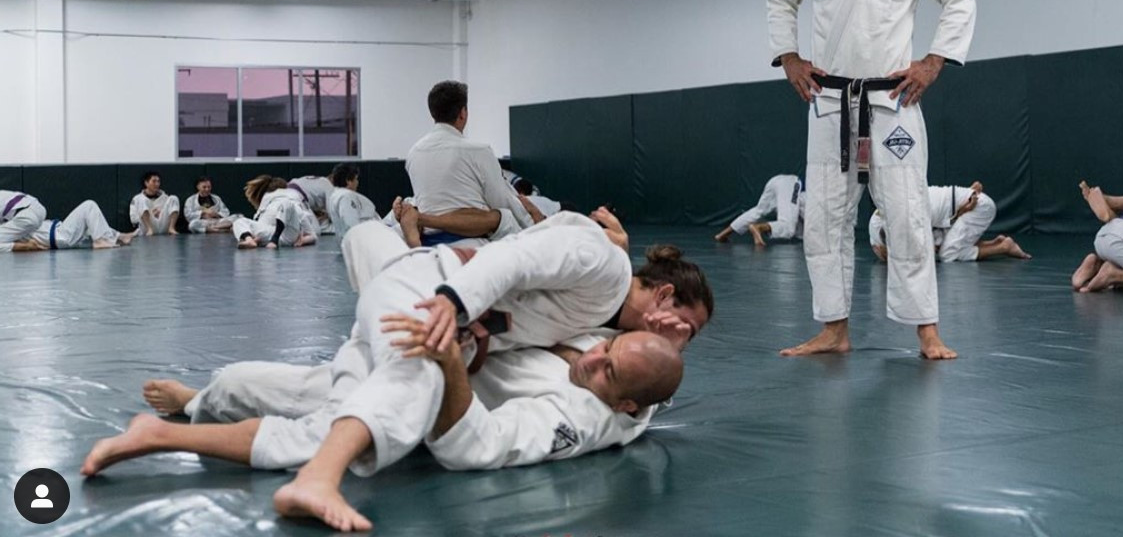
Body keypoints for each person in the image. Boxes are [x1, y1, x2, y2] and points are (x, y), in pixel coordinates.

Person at [84, 218, 693, 531]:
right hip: (429, 291)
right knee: (410, 385)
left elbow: (640, 381)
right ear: (658, 303)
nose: (595, 356)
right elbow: (514, 257)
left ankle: (180, 418)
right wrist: (457, 307)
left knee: (296, 396)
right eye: (673, 323)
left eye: (608, 368)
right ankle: (318, 481)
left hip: (424, 306)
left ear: (628, 406)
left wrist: (465, 345)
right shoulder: (605, 282)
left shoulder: (600, 405)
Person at [766, 0, 976, 359]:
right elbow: (779, 0)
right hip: (830, 99)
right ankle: (834, 329)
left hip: (892, 102)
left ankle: (926, 329)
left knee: (905, 214)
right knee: (824, 218)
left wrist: (934, 61)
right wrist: (789, 57)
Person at [405, 81, 540, 245]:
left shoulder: (414, 154)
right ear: (463, 113)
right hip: (472, 242)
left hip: (428, 241)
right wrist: (535, 227)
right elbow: (501, 200)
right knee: (501, 217)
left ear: (433, 113)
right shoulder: (479, 151)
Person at [868, 181, 1030, 262]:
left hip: (978, 207)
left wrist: (961, 210)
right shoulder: (878, 223)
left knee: (947, 254)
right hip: (967, 206)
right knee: (944, 242)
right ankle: (996, 243)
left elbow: (927, 250)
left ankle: (1003, 247)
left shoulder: (912, 212)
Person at [1, 200, 135, 252]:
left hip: (56, 233)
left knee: (89, 222)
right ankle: (100, 240)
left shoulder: (14, 222)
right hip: (58, 236)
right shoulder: (13, 228)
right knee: (89, 206)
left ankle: (120, 236)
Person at [714, 174, 804, 247]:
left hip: (777, 180)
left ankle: (722, 234)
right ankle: (759, 228)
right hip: (791, 184)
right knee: (788, 226)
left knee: (758, 211)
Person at [233, 175, 318, 249]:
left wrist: (303, 240)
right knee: (239, 221)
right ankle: (249, 240)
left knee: (286, 203)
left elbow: (313, 235)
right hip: (271, 234)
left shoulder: (291, 202)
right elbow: (259, 224)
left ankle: (274, 240)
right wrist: (256, 236)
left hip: (287, 234)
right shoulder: (266, 204)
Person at [325, 163, 379, 239]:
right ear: (348, 181)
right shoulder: (346, 196)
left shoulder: (335, 194)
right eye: (356, 179)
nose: (357, 182)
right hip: (365, 238)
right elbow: (351, 224)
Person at [130, 172, 180, 236]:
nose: (157, 184)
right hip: (146, 228)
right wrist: (150, 214)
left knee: (173, 198)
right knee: (142, 199)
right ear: (146, 183)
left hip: (163, 225)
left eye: (158, 181)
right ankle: (149, 229)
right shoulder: (137, 198)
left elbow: (170, 211)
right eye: (154, 181)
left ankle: (171, 228)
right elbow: (133, 219)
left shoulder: (165, 197)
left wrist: (160, 212)